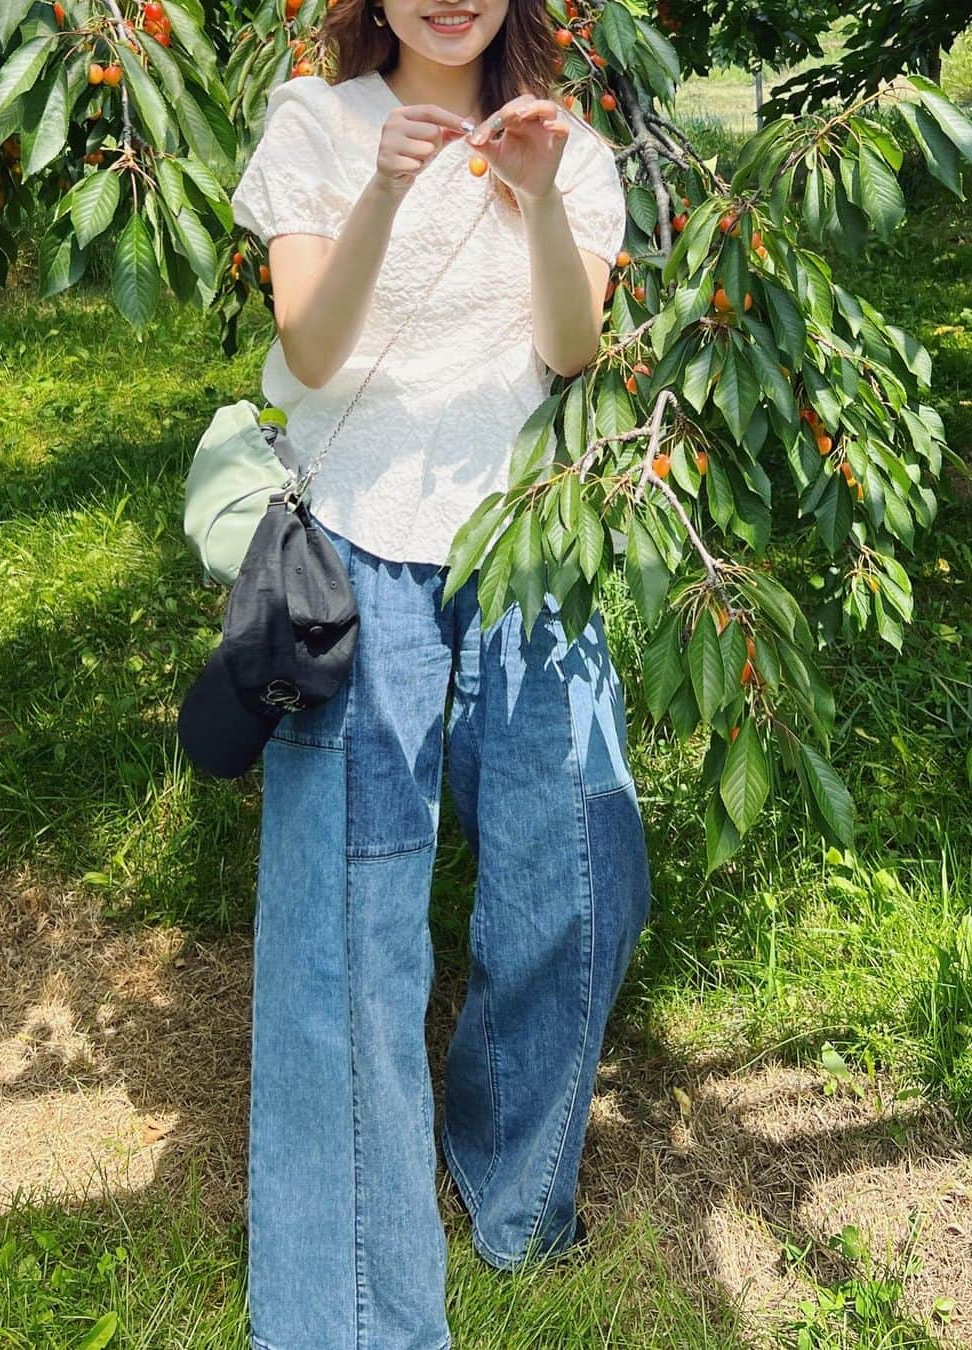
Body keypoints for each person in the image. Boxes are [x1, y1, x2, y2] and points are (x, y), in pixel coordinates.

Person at [230, 0, 652, 1345]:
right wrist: (381, 191)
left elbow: (570, 351)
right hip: (360, 550)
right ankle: (354, 1308)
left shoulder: (570, 146)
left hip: (530, 544)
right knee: (350, 928)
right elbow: (308, 349)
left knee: (579, 872)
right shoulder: (317, 121)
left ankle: (513, 1186)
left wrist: (533, 198)